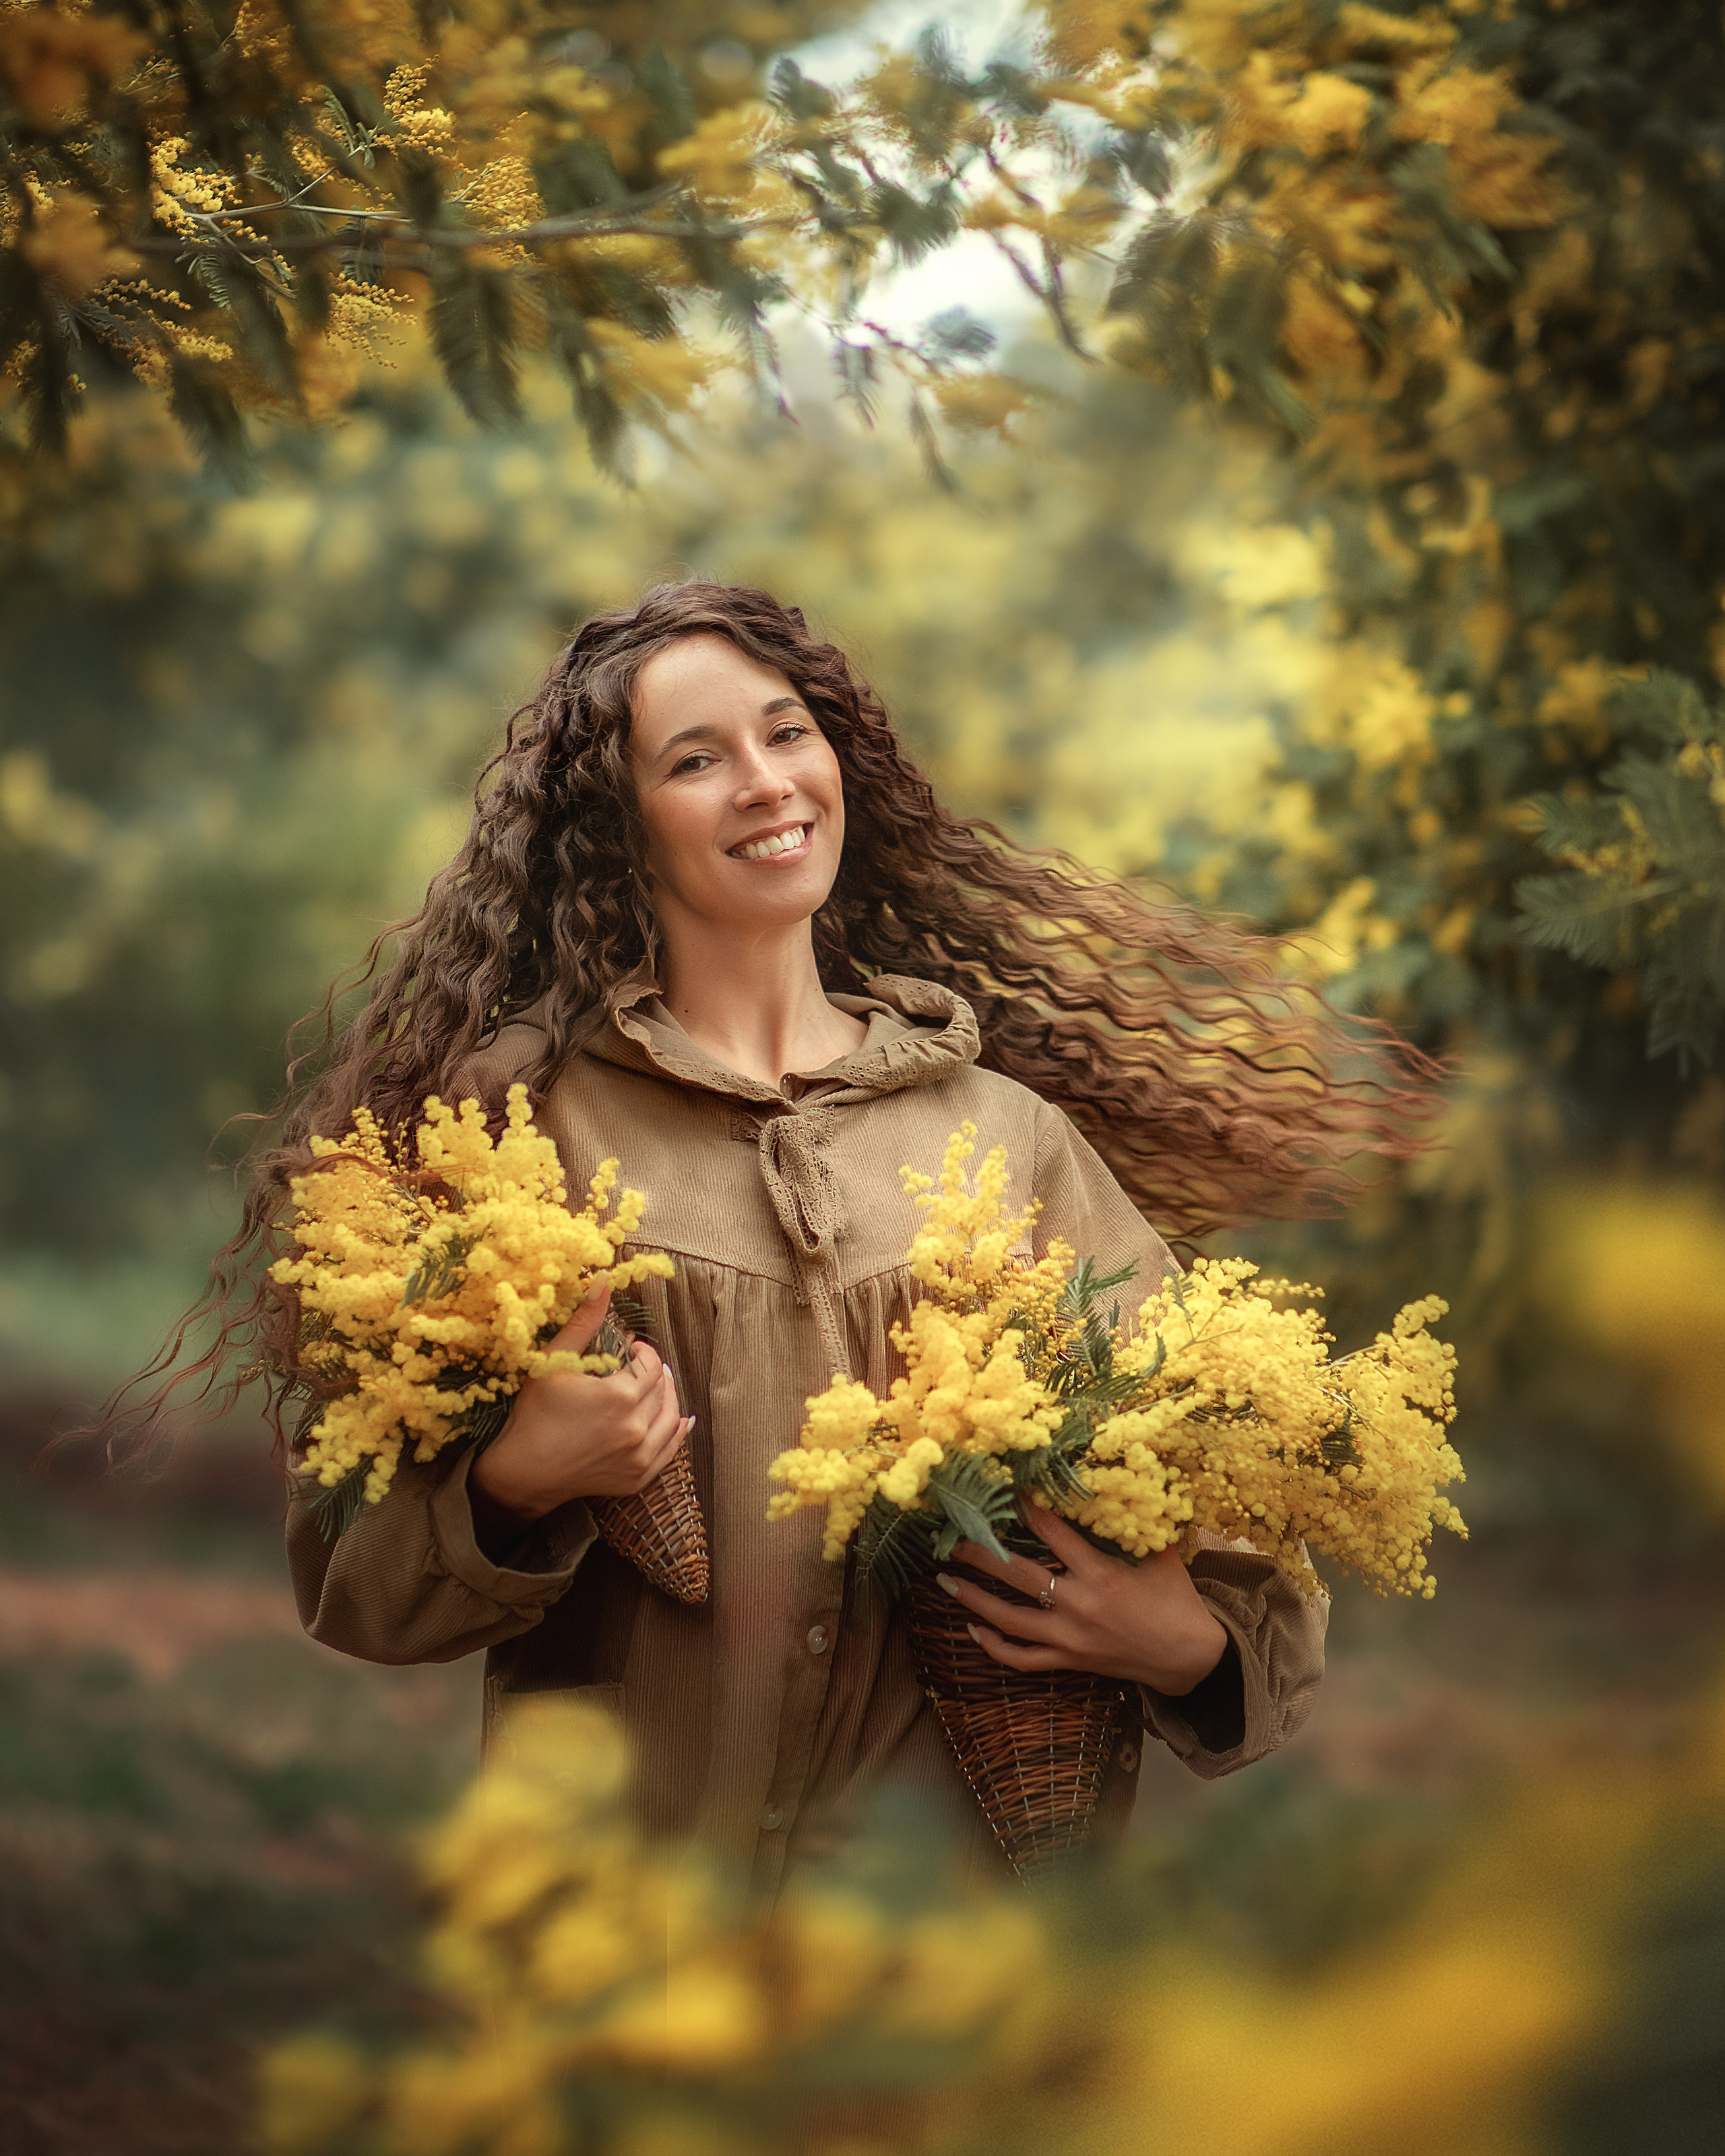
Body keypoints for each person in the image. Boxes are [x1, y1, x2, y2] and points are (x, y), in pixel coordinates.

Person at [154, 582, 1429, 1890]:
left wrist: (1177, 1644)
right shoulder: (520, 1140)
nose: (763, 782)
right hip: (624, 1942)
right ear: (618, 829)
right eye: (695, 759)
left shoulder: (1011, 1142)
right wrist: (510, 1484)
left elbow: (1242, 1553)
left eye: (786, 733)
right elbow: (360, 1587)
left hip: (947, 1955)